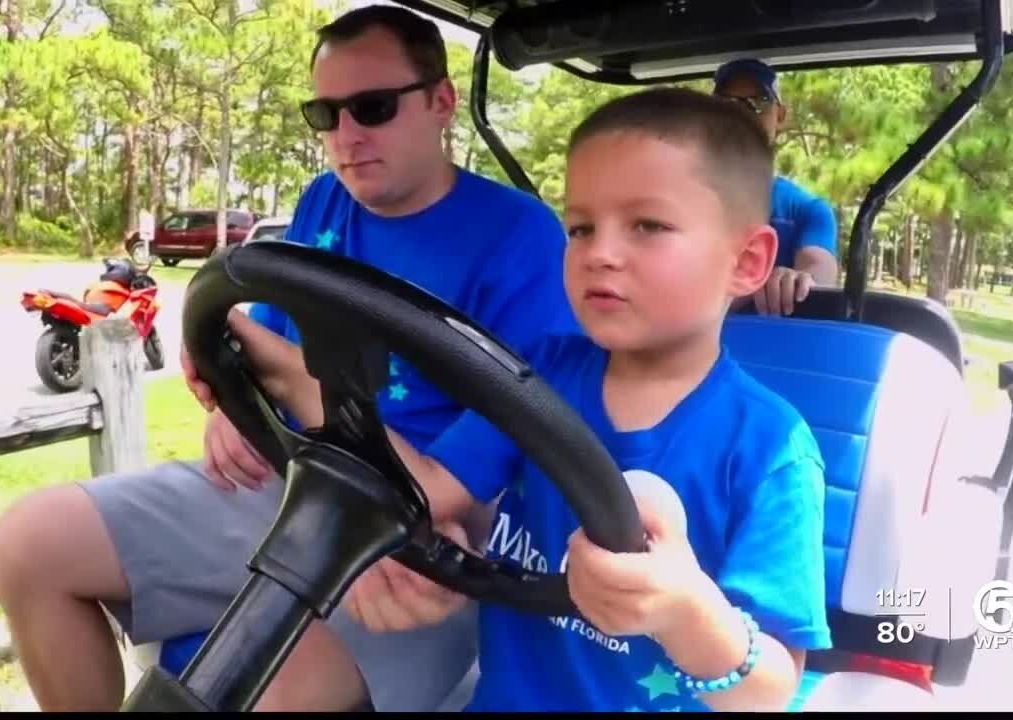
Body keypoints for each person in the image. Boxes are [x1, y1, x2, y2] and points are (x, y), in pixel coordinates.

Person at [0, 4, 579, 712]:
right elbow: (266, 348)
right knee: (30, 544)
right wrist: (237, 406)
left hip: (424, 545)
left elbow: (479, 469)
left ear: (442, 102)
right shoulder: (323, 202)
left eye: (373, 107)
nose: (346, 136)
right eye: (325, 114)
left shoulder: (522, 239)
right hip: (290, 483)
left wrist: (292, 381)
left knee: (256, 696)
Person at [225, 86, 834, 712]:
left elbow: (769, 689)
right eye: (580, 227)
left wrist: (684, 609)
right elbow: (430, 487)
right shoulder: (539, 376)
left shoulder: (768, 448)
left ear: (748, 260)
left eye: (648, 225)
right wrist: (285, 371)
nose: (600, 253)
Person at [713, 58, 840, 317]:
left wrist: (799, 281)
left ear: (780, 116)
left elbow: (817, 272)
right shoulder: (677, 199)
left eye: (758, 103)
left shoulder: (807, 210)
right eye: (727, 104)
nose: (741, 114)